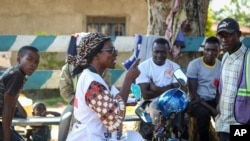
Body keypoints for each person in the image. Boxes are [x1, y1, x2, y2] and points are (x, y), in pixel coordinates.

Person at [65, 32, 140, 141]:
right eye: (111, 51)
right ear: (96, 54)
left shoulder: (91, 76)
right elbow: (115, 119)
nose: (115, 54)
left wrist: (125, 101)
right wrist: (128, 79)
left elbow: (104, 104)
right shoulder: (93, 83)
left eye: (115, 50)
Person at [135, 38, 186, 140]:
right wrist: (169, 88)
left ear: (168, 51)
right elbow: (146, 94)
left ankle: (177, 134)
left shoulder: (175, 67)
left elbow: (178, 91)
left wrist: (155, 88)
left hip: (171, 103)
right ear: (152, 51)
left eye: (163, 52)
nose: (159, 55)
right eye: (156, 51)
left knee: (180, 110)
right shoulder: (143, 67)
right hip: (148, 102)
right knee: (154, 111)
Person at [215, 18, 249, 141]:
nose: (224, 39)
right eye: (221, 36)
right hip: (224, 123)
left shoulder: (248, 57)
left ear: (239, 35)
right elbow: (223, 87)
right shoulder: (225, 57)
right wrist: (219, 104)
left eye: (228, 35)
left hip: (242, 123)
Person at [0, 46, 40, 141]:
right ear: (19, 59)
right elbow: (7, 109)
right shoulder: (16, 75)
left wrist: (9, 131)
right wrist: (7, 138)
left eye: (36, 62)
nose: (33, 64)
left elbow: (12, 106)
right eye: (29, 59)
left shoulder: (17, 74)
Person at [186, 36, 221, 141]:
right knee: (204, 115)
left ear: (219, 51)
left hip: (213, 100)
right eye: (207, 49)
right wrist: (212, 110)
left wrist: (219, 105)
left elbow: (220, 88)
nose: (210, 53)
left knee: (226, 115)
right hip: (197, 101)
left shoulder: (221, 65)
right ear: (203, 50)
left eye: (214, 50)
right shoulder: (194, 65)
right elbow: (193, 93)